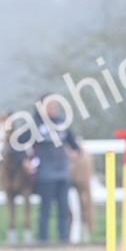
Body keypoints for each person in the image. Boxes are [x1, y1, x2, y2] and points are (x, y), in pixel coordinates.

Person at [18, 97, 81, 243]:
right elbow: (17, 145)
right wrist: (24, 161)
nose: (53, 109)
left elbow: (73, 144)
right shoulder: (34, 125)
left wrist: (75, 152)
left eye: (55, 106)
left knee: (64, 210)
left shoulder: (61, 123)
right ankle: (43, 241)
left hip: (63, 173)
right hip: (45, 174)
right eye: (50, 106)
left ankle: (64, 241)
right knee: (45, 210)